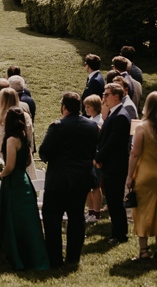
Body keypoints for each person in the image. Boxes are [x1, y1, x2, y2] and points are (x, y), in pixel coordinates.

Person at [39, 92, 98, 268]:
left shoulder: (58, 127)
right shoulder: (92, 126)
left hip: (58, 180)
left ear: (64, 106)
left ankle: (55, 258)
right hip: (81, 180)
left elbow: (44, 152)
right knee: (76, 218)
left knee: (52, 219)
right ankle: (73, 257)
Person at [0, 108, 50, 270]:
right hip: (24, 180)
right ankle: (32, 256)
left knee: (13, 220)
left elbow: (9, 167)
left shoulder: (11, 140)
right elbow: (28, 163)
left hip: (14, 183)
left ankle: (17, 257)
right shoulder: (25, 138)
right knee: (27, 222)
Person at [126, 92, 157, 259]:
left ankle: (143, 251)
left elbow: (135, 154)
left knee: (143, 211)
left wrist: (129, 176)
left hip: (144, 174)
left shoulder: (142, 127)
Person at [95, 83, 131, 244]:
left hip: (116, 165)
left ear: (116, 96)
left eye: (106, 95)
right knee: (112, 200)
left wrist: (98, 158)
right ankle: (116, 231)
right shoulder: (113, 113)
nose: (103, 97)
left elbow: (113, 142)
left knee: (115, 201)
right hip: (111, 163)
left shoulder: (121, 115)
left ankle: (120, 234)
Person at [84, 95, 103, 222]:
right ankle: (90, 210)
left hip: (95, 158)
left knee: (96, 186)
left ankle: (96, 213)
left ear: (95, 107)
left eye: (88, 107)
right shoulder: (90, 120)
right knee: (87, 186)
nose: (86, 109)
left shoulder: (99, 122)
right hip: (87, 157)